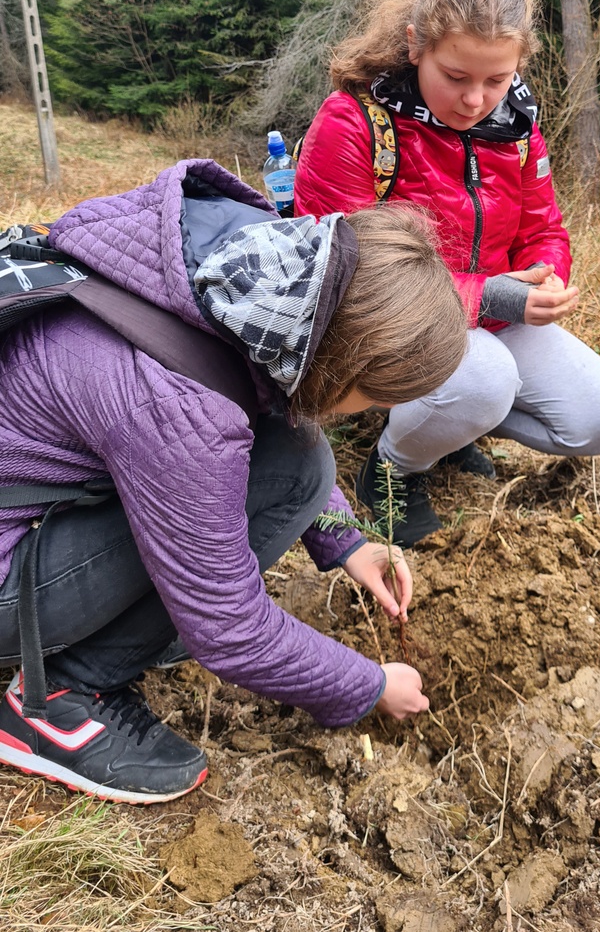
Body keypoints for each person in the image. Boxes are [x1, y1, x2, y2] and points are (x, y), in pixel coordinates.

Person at [0, 158, 468, 804]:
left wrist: (346, 542)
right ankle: (59, 697)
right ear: (345, 366)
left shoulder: (234, 265)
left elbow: (269, 403)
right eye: (379, 397)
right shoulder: (181, 410)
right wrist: (370, 685)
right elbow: (230, 628)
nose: (372, 412)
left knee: (301, 460)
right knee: (284, 477)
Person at [294, 0, 600, 547]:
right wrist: (492, 296)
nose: (476, 101)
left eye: (496, 80)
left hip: (495, 320)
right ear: (414, 45)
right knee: (485, 378)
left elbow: (543, 229)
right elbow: (352, 272)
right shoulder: (354, 124)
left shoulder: (518, 129)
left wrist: (546, 275)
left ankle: (450, 425)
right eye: (455, 77)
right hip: (390, 326)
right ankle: (394, 468)